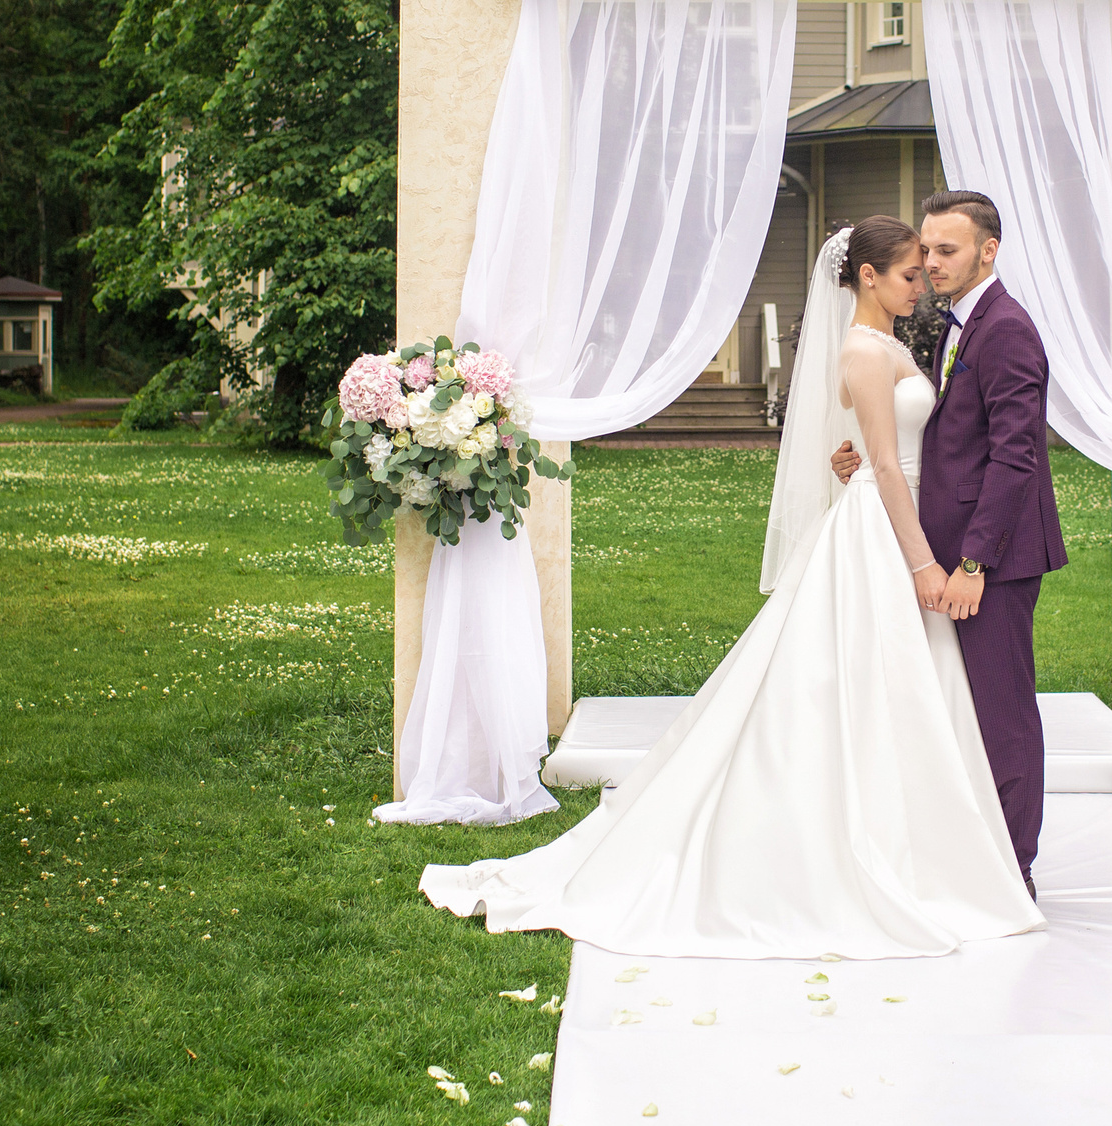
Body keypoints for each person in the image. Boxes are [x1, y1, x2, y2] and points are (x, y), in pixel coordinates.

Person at [411, 217, 1043, 959]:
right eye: (910, 269)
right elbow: (890, 461)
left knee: (908, 688)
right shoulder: (864, 349)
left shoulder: (912, 340)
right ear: (867, 276)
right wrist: (924, 561)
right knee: (868, 685)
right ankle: (888, 844)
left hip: (895, 520)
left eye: (933, 261)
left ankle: (952, 847)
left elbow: (930, 439)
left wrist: (873, 467)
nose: (923, 279)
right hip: (885, 531)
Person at [832, 190, 1065, 896]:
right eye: (925, 251)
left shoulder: (1007, 329)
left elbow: (1015, 456)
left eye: (946, 250)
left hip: (992, 559)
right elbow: (948, 433)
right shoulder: (960, 322)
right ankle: (969, 849)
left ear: (987, 251)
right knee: (957, 707)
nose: (931, 262)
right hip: (951, 547)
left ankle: (1015, 868)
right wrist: (864, 459)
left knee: (1002, 711)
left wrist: (972, 563)